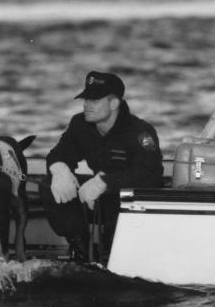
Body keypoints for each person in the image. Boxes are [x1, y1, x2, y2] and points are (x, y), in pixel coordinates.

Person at [41, 70, 163, 263]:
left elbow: (150, 174)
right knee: (49, 184)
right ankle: (81, 250)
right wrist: (60, 169)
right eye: (86, 99)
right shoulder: (79, 124)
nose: (86, 105)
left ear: (114, 103)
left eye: (94, 100)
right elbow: (58, 154)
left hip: (130, 203)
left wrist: (104, 183)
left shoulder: (140, 131)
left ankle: (112, 256)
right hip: (96, 199)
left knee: (116, 240)